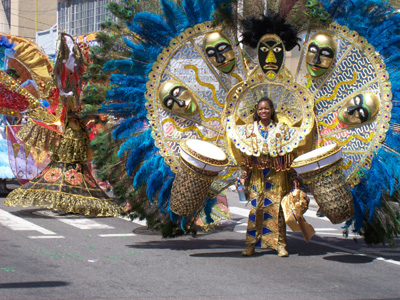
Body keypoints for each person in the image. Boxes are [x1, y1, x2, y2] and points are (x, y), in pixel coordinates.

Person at [4, 113, 123, 216]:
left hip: (71, 159)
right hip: (65, 158)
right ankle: (63, 205)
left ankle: (67, 205)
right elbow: (72, 141)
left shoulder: (74, 125)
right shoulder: (71, 124)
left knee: (70, 182)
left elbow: (78, 142)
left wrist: (78, 159)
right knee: (63, 182)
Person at [238, 97, 299, 257]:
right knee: (255, 209)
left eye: (266, 108)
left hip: (277, 175)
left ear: (272, 110)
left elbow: (290, 154)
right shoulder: (249, 130)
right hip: (257, 175)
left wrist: (294, 178)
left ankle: (280, 245)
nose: (263, 111)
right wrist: (244, 175)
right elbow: (247, 155)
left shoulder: (283, 129)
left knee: (277, 209)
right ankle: (250, 244)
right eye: (260, 109)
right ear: (256, 111)